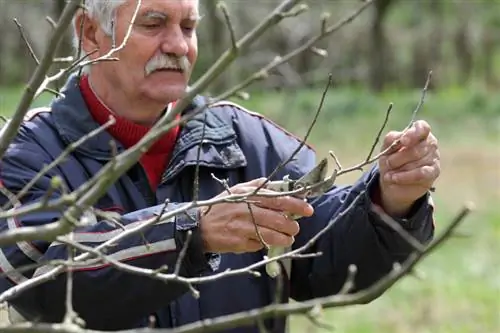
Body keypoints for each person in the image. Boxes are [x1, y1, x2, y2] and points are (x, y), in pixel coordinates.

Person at [0, 0, 440, 331]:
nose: (177, 45)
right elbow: (46, 282)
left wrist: (391, 199)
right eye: (153, 24)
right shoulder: (30, 153)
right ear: (90, 33)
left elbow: (328, 259)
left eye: (188, 27)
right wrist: (189, 232)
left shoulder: (246, 142)